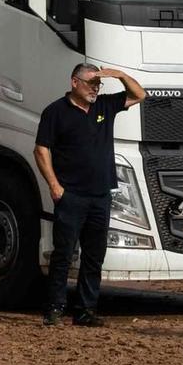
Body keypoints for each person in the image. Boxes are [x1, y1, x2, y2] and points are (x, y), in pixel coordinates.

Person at [33, 62, 146, 327]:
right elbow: (41, 150)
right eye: (91, 84)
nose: (96, 89)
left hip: (100, 195)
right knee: (63, 254)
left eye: (98, 84)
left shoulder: (104, 106)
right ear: (74, 83)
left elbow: (140, 95)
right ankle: (55, 308)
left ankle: (85, 310)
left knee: (95, 255)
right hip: (71, 195)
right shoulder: (55, 112)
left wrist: (119, 75)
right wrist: (54, 185)